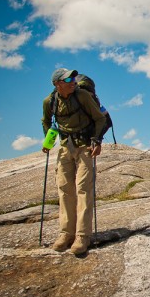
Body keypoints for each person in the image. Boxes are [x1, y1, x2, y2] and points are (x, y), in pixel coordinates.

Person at [41, 68, 106, 255]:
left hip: (85, 146)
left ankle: (82, 236)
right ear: (57, 84)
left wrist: (97, 141)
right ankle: (65, 234)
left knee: (83, 188)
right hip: (65, 146)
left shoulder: (83, 96)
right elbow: (46, 121)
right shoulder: (50, 102)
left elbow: (99, 119)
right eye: (68, 79)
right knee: (64, 189)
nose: (72, 81)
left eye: (73, 77)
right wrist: (48, 140)